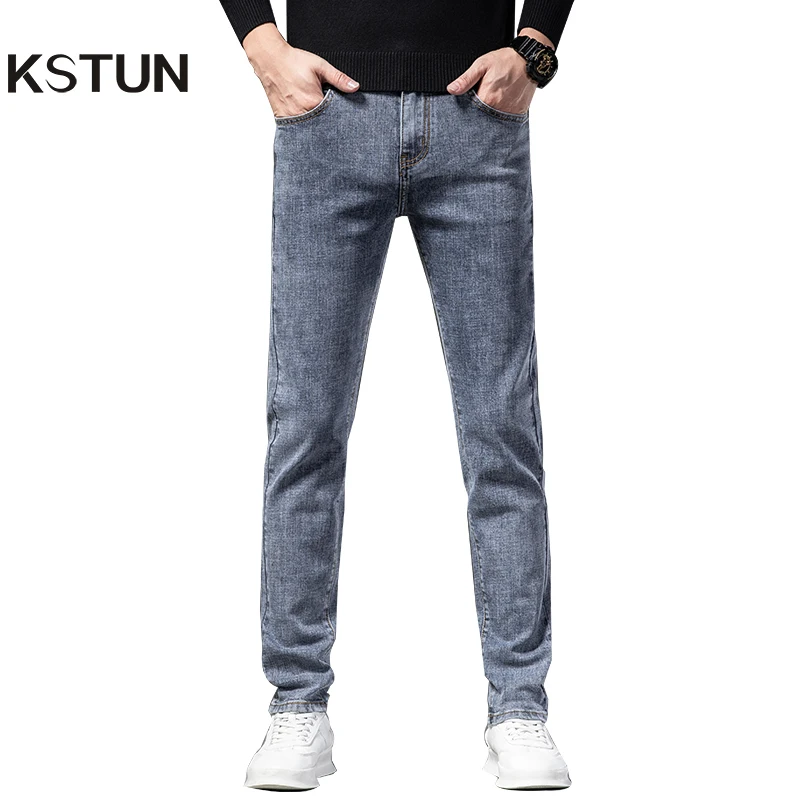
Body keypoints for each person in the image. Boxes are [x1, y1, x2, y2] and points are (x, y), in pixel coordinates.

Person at [219, 0, 575, 790]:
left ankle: (520, 707)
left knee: (502, 431)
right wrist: (261, 44)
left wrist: (537, 47)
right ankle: (297, 703)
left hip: (477, 117)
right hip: (328, 122)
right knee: (305, 426)